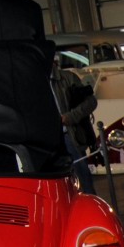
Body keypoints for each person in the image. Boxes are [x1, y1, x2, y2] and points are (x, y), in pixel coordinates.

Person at [50, 53, 97, 194]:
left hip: (69, 134)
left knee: (82, 174)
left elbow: (90, 101)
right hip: (49, 139)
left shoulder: (68, 78)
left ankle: (89, 206)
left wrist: (70, 117)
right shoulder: (33, 83)